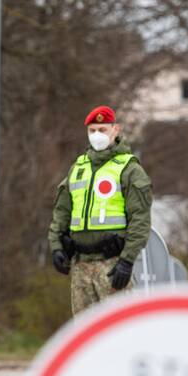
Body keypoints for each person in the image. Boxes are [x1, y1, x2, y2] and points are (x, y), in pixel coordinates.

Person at [47, 106, 153, 314]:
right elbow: (61, 212)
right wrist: (56, 246)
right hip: (80, 265)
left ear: (116, 130)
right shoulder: (79, 168)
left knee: (119, 331)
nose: (97, 135)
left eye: (102, 130)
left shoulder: (129, 169)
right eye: (92, 130)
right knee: (86, 334)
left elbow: (139, 219)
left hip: (112, 264)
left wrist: (127, 260)